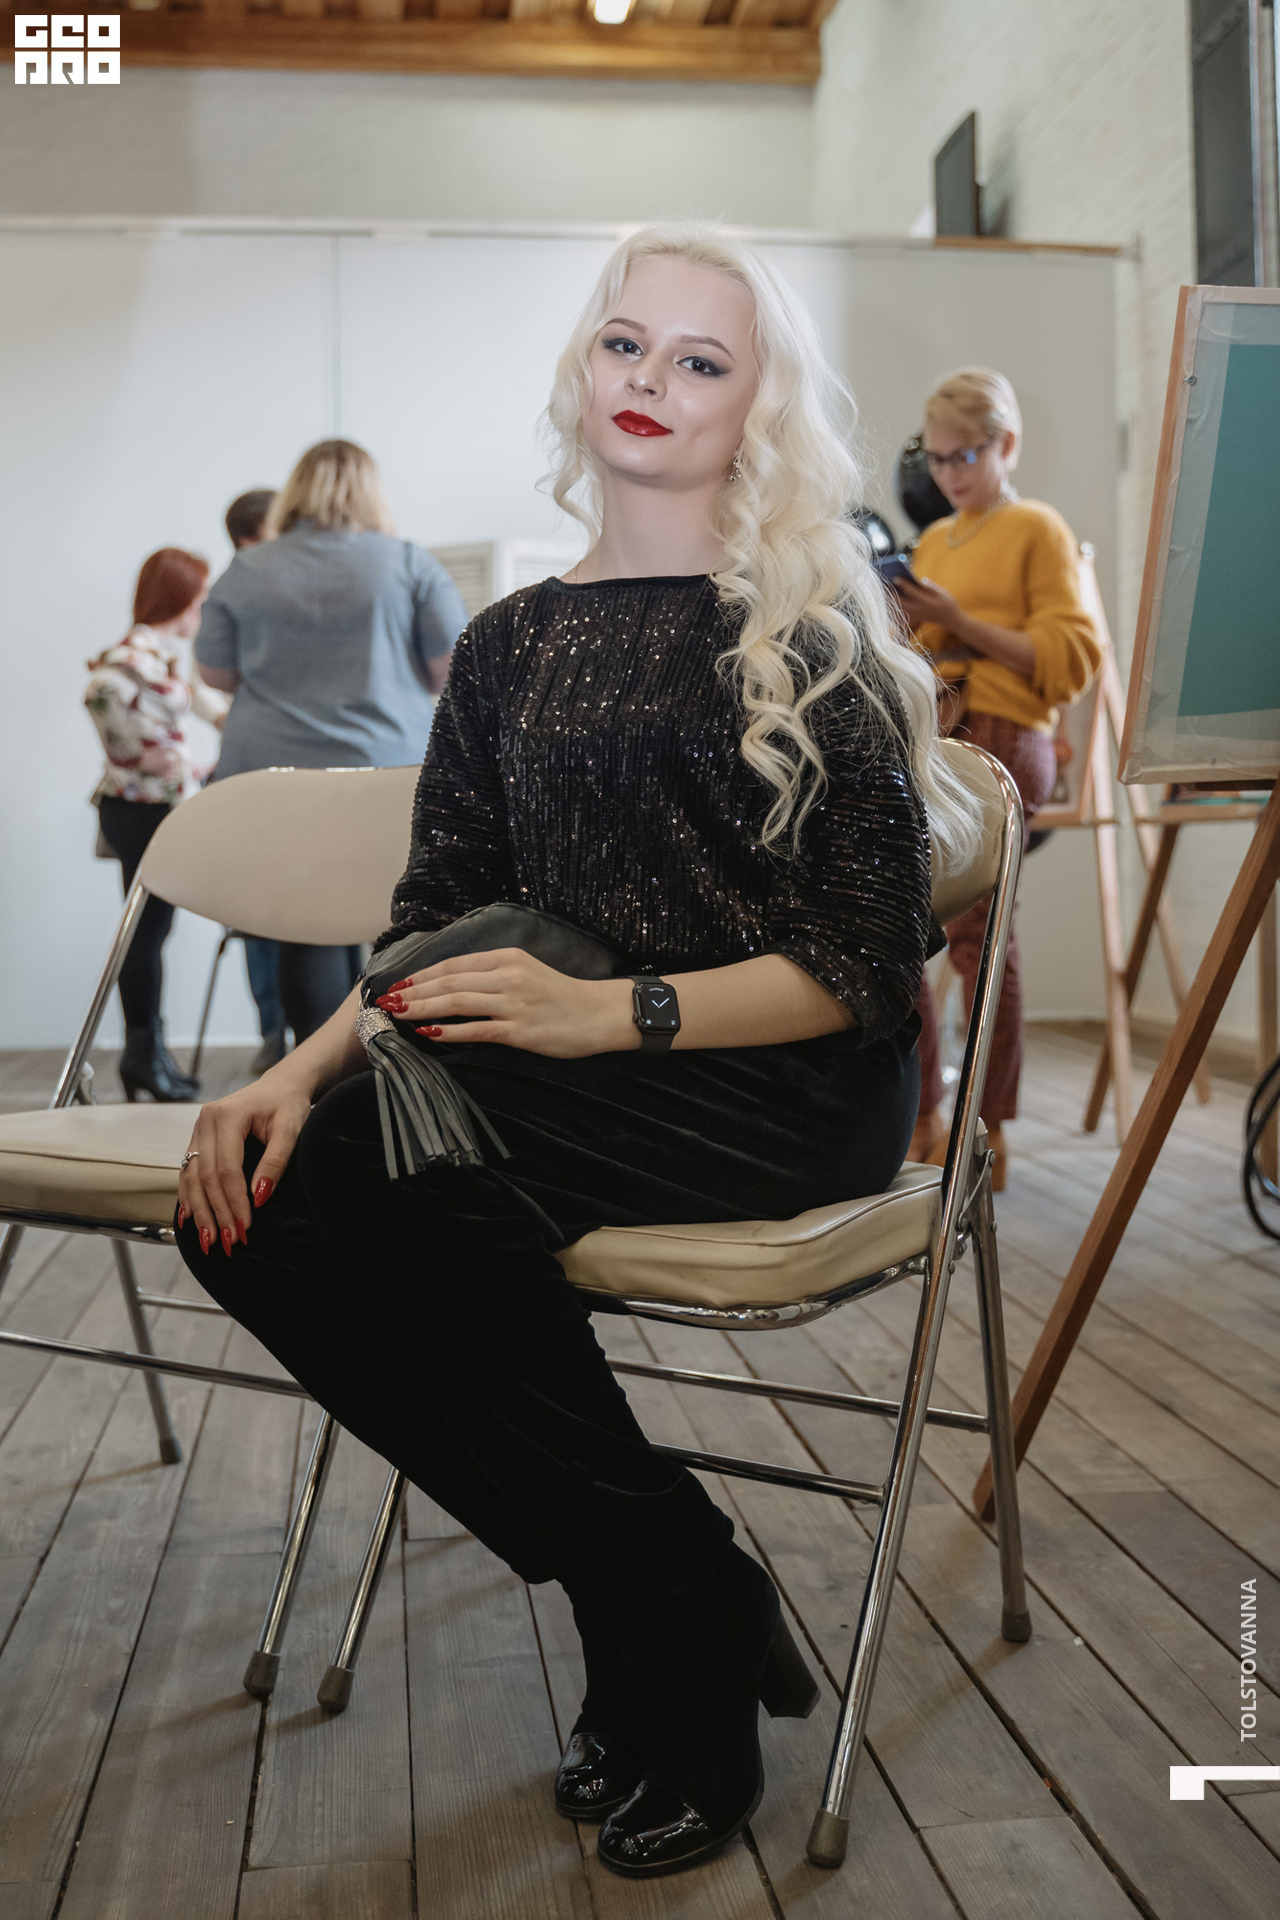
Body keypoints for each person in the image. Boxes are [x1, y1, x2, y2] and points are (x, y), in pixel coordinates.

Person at [174, 228, 980, 1878]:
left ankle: (661, 1635)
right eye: (628, 345)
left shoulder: (812, 628)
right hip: (567, 1071)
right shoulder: (509, 644)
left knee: (390, 1177)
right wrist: (290, 1073)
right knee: (242, 1203)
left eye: (701, 360)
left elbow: (863, 957)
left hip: (784, 1081)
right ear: (582, 368)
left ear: (755, 407)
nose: (652, 382)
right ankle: (671, 1584)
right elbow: (437, 924)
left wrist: (623, 1013)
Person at [893, 368, 1100, 1188]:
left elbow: (1070, 660)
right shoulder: (935, 541)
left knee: (979, 934)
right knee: (899, 923)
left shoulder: (1037, 529)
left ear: (1005, 444)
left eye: (965, 456)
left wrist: (957, 620)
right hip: (939, 733)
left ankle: (986, 1128)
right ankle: (920, 1116)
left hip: (1007, 734)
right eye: (936, 458)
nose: (948, 473)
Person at [194, 441, 467, 1043]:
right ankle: (381, 1067)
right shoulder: (408, 562)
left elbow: (215, 674)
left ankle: (310, 1069)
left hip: (271, 777)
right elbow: (450, 669)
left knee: (302, 922)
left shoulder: (248, 568)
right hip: (385, 773)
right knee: (390, 919)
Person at [86, 547, 221, 1102]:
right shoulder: (137, 652)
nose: (204, 609)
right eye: (201, 597)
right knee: (144, 935)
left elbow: (192, 708)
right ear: (180, 598)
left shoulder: (163, 654)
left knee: (150, 932)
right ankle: (142, 1057)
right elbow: (99, 693)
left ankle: (148, 1054)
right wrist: (132, 756)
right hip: (140, 810)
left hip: (152, 808)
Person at [221, 487, 288, 1074]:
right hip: (260, 779)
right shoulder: (244, 582)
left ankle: (294, 1037)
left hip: (266, 775)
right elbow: (215, 677)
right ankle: (274, 1032)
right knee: (261, 917)